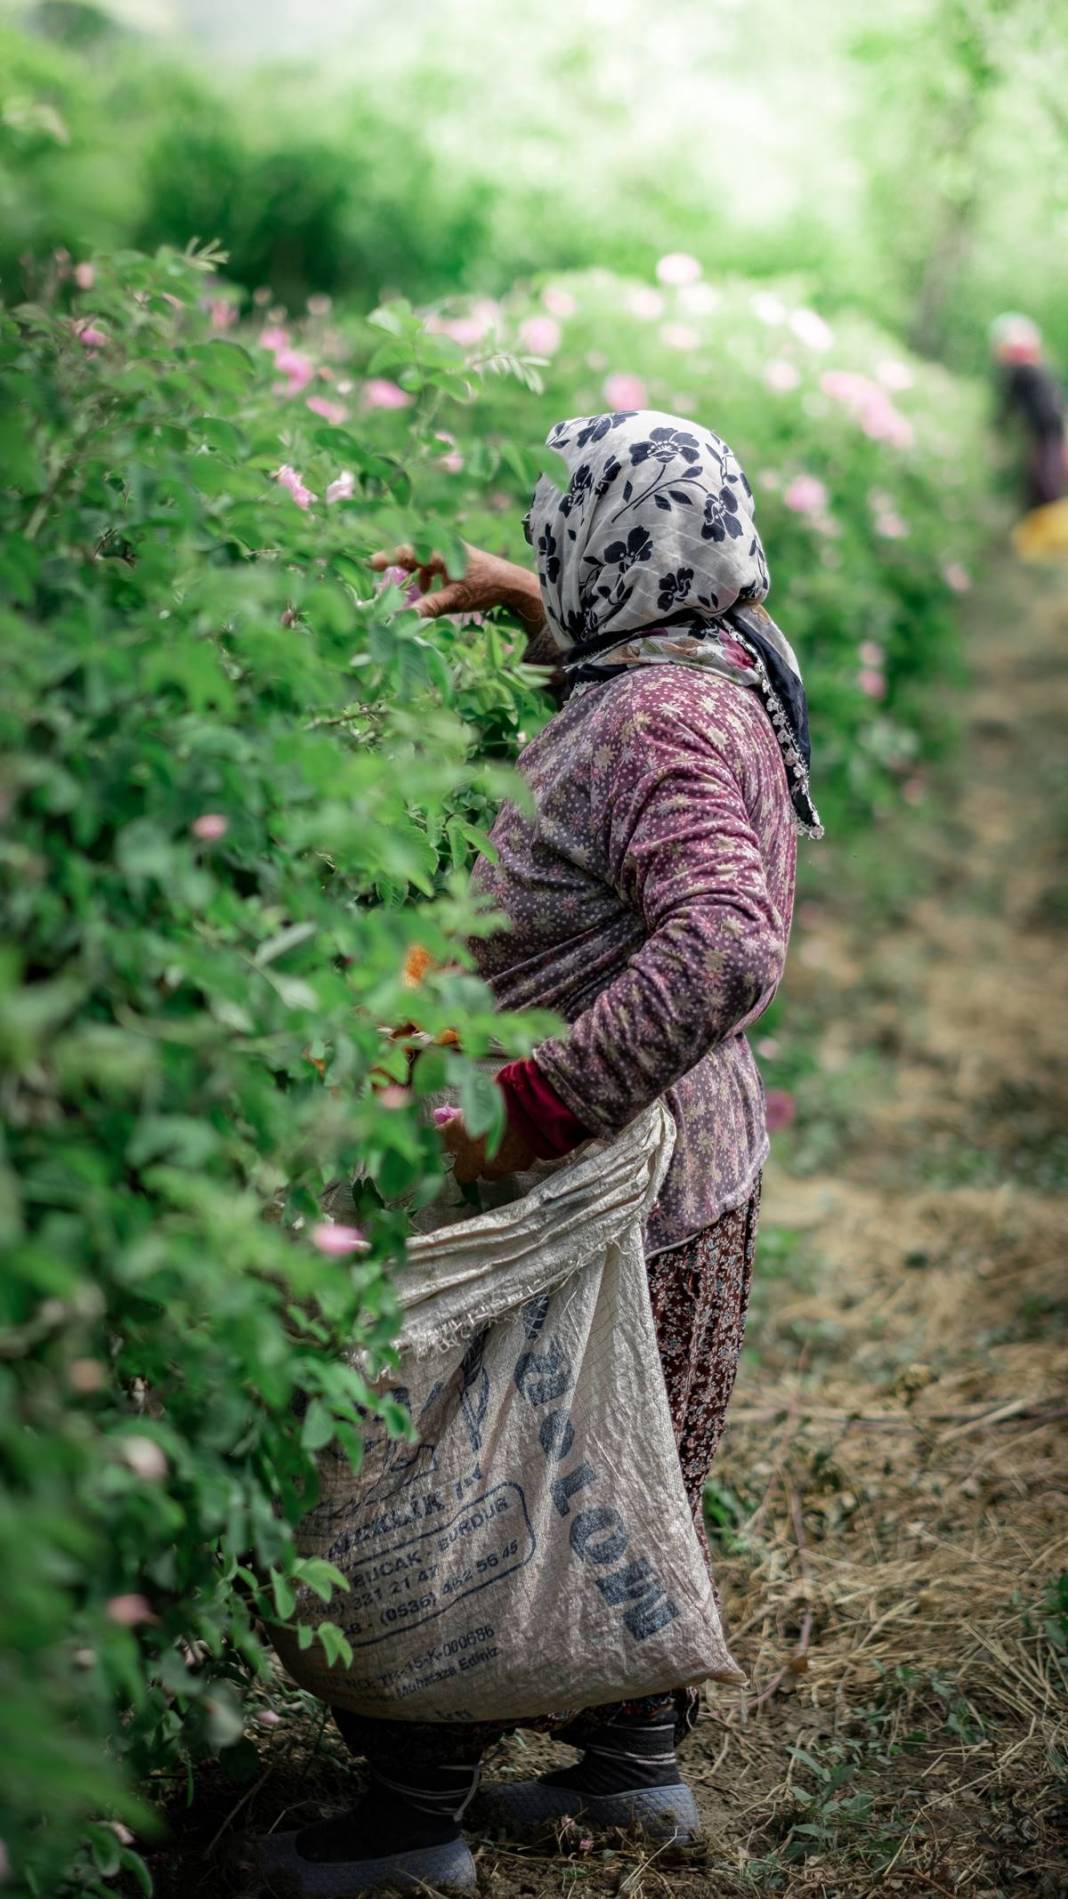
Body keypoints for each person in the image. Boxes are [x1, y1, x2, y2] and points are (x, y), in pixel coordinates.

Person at [251, 410, 820, 1897]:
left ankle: (411, 1807)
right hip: (686, 1167)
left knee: (505, 1463)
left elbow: (727, 940)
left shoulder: (652, 720)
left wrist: (535, 1106)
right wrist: (535, 600)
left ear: (621, 555)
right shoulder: (728, 663)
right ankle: (634, 1769)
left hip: (594, 1187)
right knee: (619, 1466)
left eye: (569, 533)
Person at [991, 313, 1066, 510]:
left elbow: (1007, 406)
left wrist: (998, 427)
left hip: (1046, 429)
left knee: (1046, 484)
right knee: (1046, 480)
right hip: (1048, 429)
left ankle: (1048, 522)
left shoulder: (1023, 372)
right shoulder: (1037, 370)